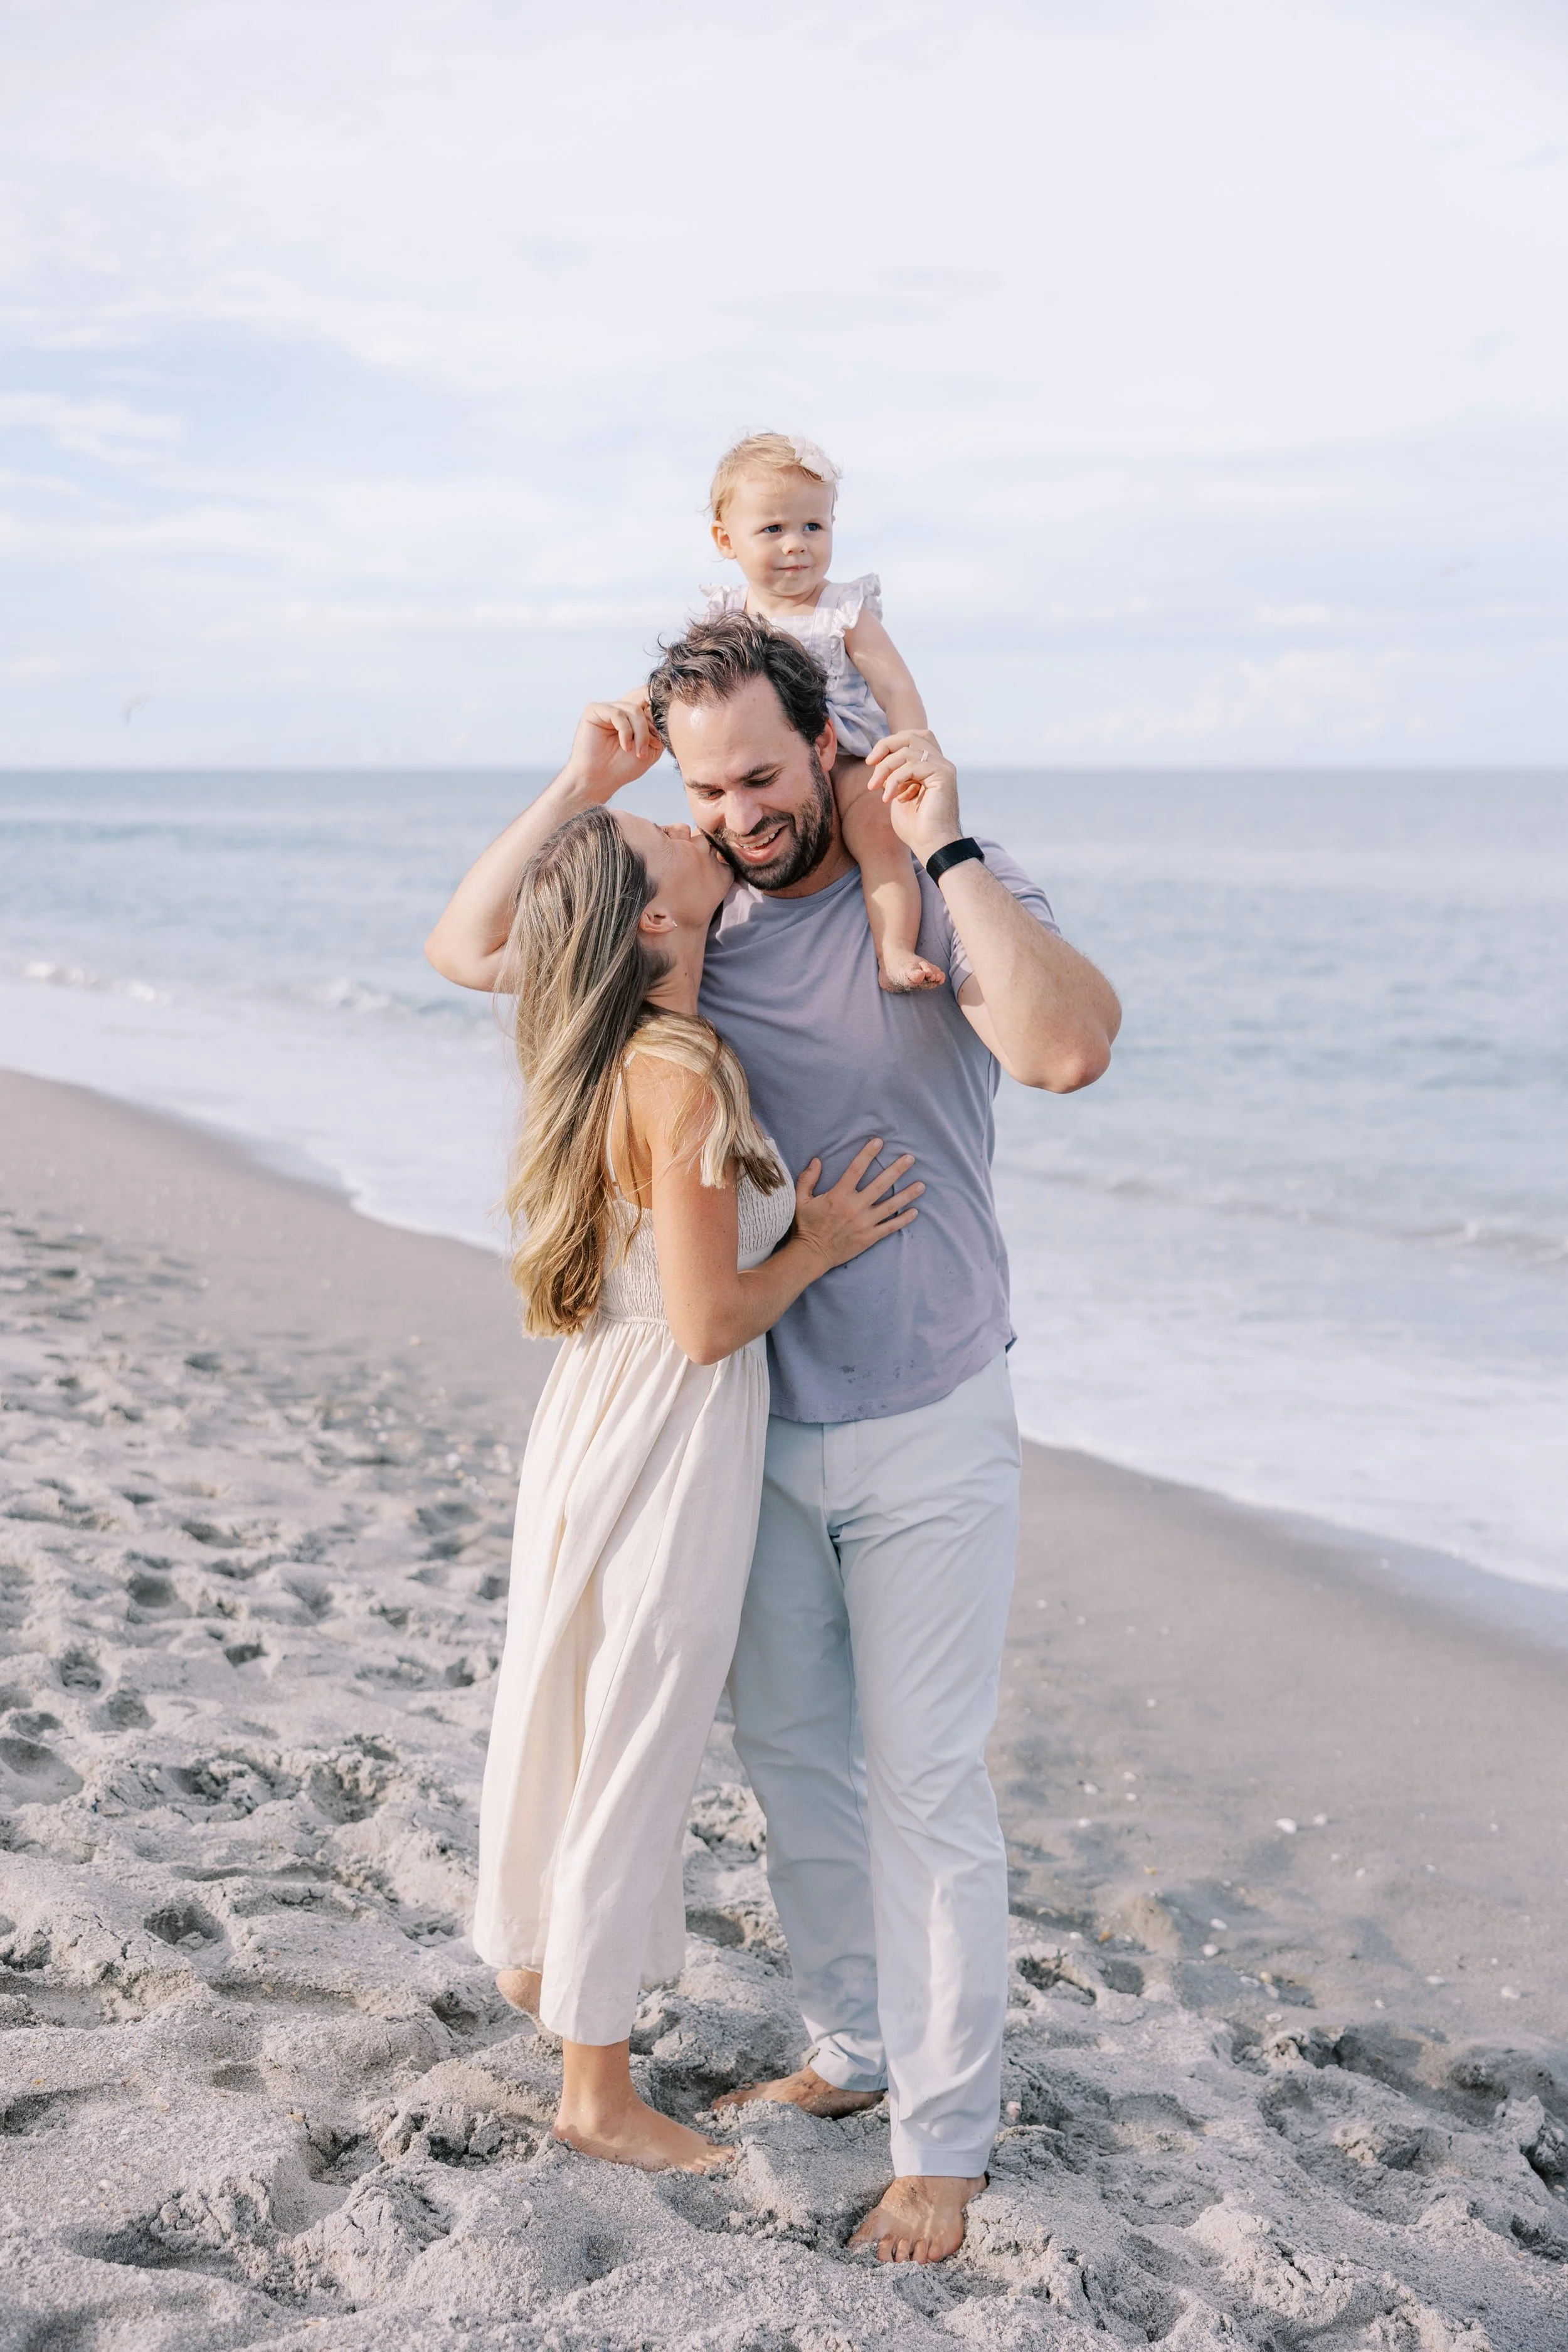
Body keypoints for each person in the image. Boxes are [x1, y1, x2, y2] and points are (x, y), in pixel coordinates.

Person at [430, 612, 1119, 2263]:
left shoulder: (928, 891)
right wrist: (579, 782)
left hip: (932, 1406)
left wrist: (939, 830)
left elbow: (1066, 1047)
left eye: (762, 770)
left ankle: (941, 2133)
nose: (739, 807)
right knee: (801, 1766)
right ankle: (853, 2045)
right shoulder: (700, 919)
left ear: (828, 739)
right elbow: (471, 951)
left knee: (926, 1779)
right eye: (706, 783)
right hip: (748, 1437)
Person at [427, 800, 921, 2175]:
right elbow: (710, 1322)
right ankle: (594, 2091)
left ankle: (551, 1974)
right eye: (664, 834)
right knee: (636, 1735)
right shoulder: (679, 1071)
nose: (693, 824)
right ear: (654, 917)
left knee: (580, 1712)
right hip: (671, 1425)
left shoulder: (598, 1038)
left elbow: (459, 942)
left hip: (601, 1411)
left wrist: (580, 778)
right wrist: (816, 1242)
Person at [699, 430, 941, 997]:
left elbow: (895, 684)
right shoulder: (727, 615)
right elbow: (692, 684)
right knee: (715, 850)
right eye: (773, 529)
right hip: (762, 769)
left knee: (882, 837)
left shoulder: (843, 609)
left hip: (850, 758)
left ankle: (896, 951)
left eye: (814, 526)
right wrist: (635, 704)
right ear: (726, 540)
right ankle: (707, 953)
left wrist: (915, 747)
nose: (796, 545)